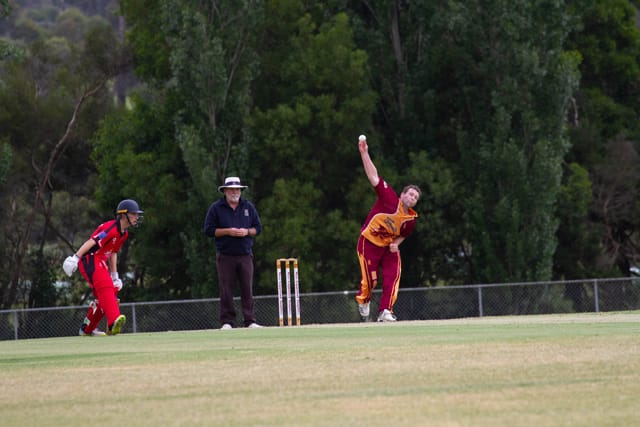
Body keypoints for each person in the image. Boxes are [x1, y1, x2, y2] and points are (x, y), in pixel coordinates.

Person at [355, 136, 421, 322]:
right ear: (402, 194)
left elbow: (404, 234)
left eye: (415, 197)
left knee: (392, 276)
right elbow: (373, 176)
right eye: (410, 194)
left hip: (388, 247)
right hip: (369, 242)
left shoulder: (410, 219)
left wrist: (396, 244)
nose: (412, 198)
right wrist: (364, 153)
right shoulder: (389, 197)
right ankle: (364, 300)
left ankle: (385, 310)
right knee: (371, 281)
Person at [62, 199, 144, 336]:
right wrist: (75, 258)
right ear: (123, 215)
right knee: (106, 287)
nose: (136, 217)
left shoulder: (124, 234)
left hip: (100, 261)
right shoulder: (110, 228)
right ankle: (113, 321)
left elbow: (113, 252)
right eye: (134, 214)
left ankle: (87, 329)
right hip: (89, 259)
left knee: (107, 296)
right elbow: (92, 241)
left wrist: (115, 275)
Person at [204, 176, 263, 329]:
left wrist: (246, 232)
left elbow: (258, 228)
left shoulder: (248, 207)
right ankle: (227, 321)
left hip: (245, 254)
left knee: (247, 288)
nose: (234, 192)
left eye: (237, 189)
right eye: (231, 190)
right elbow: (209, 230)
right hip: (225, 255)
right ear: (225, 191)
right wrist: (228, 231)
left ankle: (250, 320)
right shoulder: (216, 208)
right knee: (226, 289)